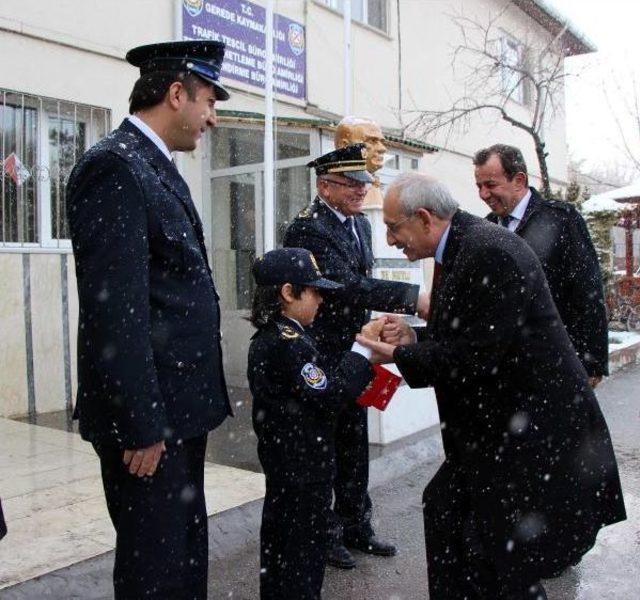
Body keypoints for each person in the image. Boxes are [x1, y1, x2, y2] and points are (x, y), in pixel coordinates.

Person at [358, 173, 626, 599]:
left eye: (393, 227)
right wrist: (413, 339)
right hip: (496, 434)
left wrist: (398, 355)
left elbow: (475, 358)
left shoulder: (487, 253)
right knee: (453, 520)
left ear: (424, 218)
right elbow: (472, 336)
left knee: (499, 561)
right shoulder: (464, 245)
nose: (390, 240)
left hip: (529, 440)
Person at [66, 40, 232, 599]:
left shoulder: (154, 164)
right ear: (176, 93)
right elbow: (116, 309)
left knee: (182, 562)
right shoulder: (114, 166)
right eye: (209, 100)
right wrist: (140, 422)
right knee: (154, 573)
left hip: (177, 412)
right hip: (150, 424)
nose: (212, 116)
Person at [283, 144, 430, 569]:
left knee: (354, 443)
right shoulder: (309, 229)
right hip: (325, 352)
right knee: (324, 448)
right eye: (351, 184)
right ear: (324, 185)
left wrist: (377, 324)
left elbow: (361, 285)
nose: (361, 192)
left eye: (363, 183)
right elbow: (345, 285)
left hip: (355, 347)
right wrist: (410, 298)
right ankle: (325, 534)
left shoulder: (359, 226)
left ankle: (356, 525)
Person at [247, 247, 378, 599]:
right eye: (314, 290)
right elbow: (330, 393)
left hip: (289, 466)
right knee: (301, 558)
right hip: (302, 470)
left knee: (282, 552)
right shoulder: (288, 344)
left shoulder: (279, 336)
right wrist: (363, 351)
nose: (321, 299)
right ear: (288, 293)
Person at [474, 144, 609, 387]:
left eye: (490, 185)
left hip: (557, 363)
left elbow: (588, 291)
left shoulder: (561, 220)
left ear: (518, 180)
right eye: (479, 186)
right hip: (506, 370)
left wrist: (592, 361)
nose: (483, 194)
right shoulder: (485, 230)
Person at [334, 116, 387, 207]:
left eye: (382, 142)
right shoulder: (335, 191)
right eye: (372, 141)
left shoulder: (373, 186)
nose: (383, 149)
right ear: (345, 147)